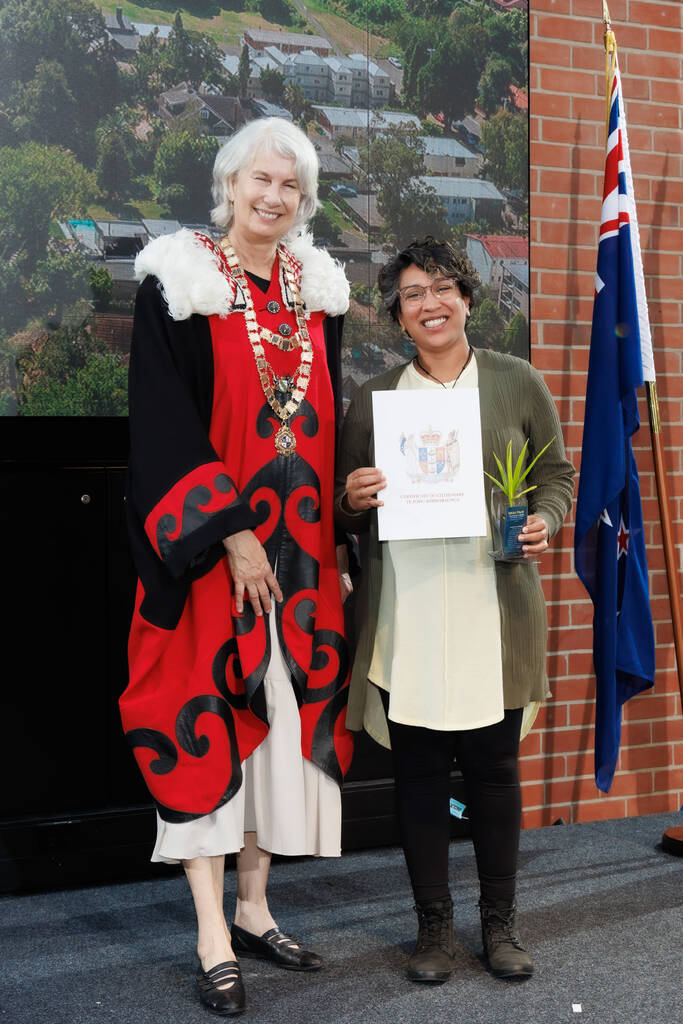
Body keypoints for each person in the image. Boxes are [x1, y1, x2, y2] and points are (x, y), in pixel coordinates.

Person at [120, 117, 353, 1016]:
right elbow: (162, 422)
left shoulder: (315, 289)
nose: (273, 198)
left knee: (284, 736)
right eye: (261, 180)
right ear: (229, 183)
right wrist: (229, 533)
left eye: (291, 187)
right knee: (211, 726)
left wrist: (349, 508)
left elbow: (318, 425)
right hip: (216, 562)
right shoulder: (178, 281)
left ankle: (256, 907)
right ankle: (212, 930)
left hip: (298, 564)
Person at [335, 237, 574, 984]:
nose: (429, 304)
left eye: (441, 288)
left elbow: (556, 476)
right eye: (411, 295)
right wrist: (352, 498)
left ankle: (498, 926)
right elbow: (341, 510)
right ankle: (433, 929)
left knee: (495, 771)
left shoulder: (517, 381)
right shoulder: (373, 398)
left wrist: (545, 521)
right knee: (419, 774)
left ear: (467, 298)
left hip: (491, 607)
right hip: (408, 610)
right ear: (398, 317)